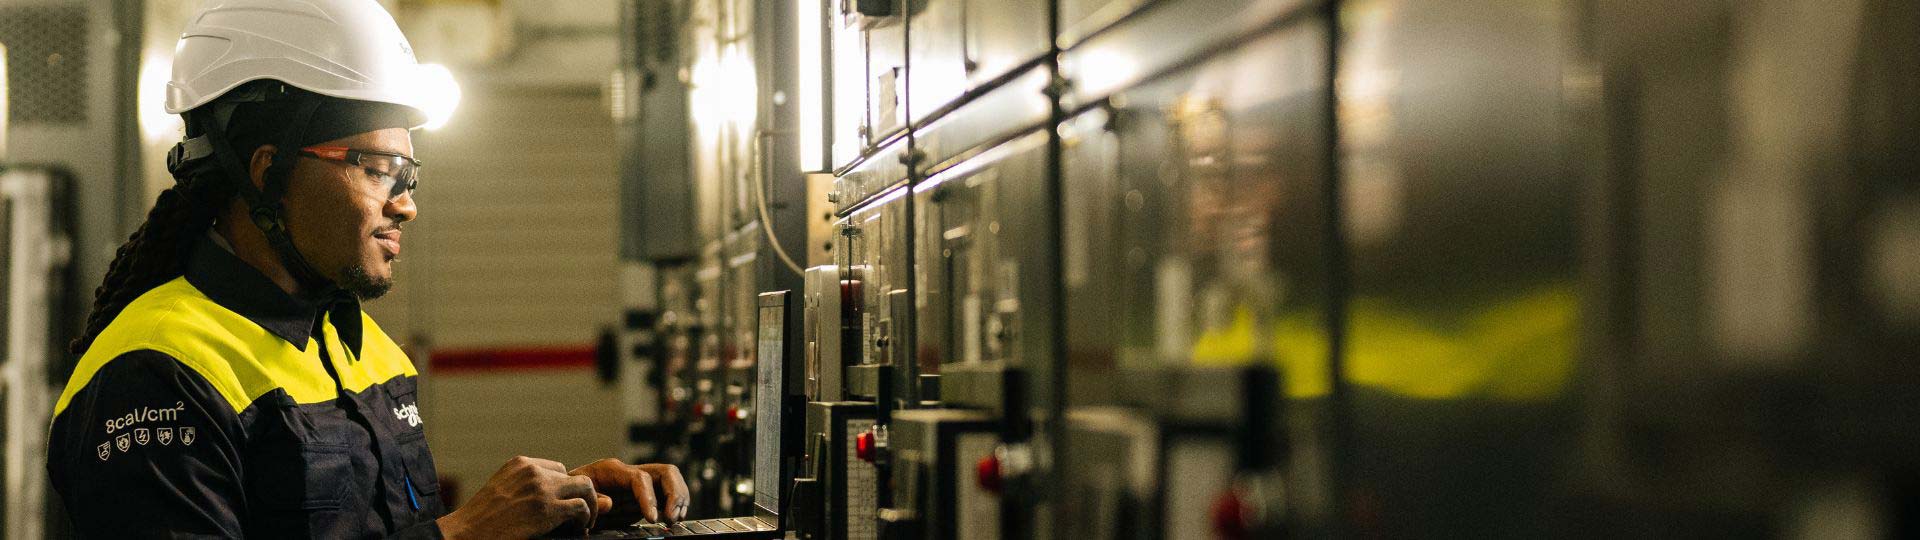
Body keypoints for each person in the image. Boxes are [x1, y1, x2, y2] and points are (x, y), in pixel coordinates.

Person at [45, 1, 687, 537]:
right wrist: (463, 533)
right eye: (376, 169)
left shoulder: (367, 352)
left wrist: (560, 513)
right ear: (269, 172)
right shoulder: (153, 376)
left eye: (408, 174)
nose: (405, 204)